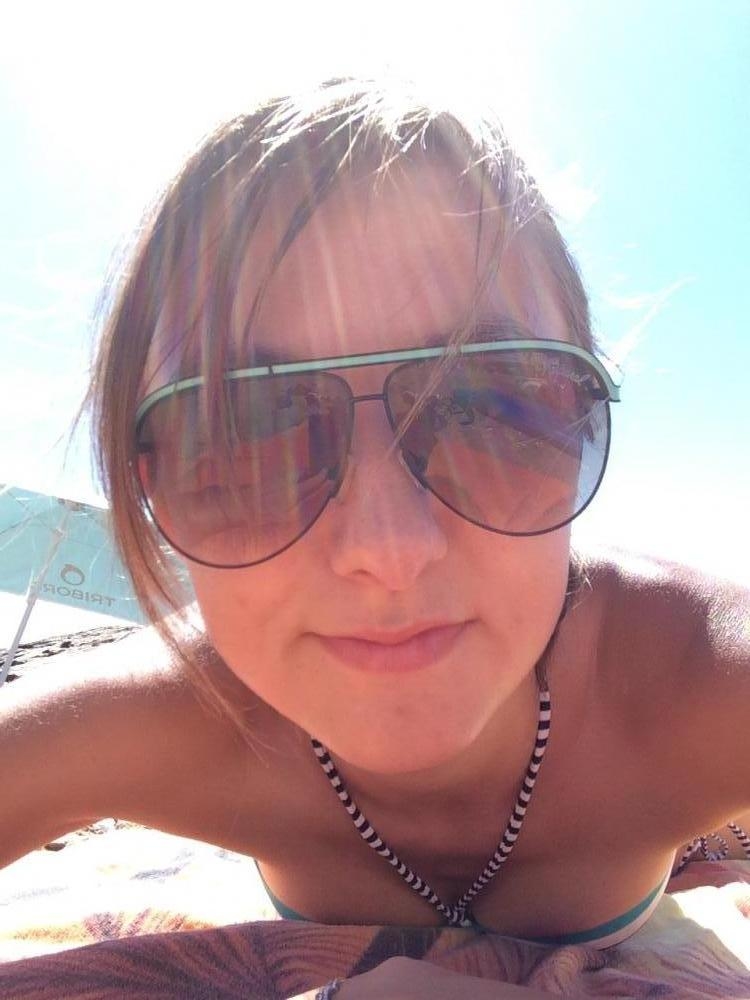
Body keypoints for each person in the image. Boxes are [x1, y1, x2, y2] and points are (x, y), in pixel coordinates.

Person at [2, 77, 749, 998]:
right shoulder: (166, 721)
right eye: (243, 435)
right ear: (147, 481)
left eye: (493, 406)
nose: (388, 551)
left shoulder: (695, 684)